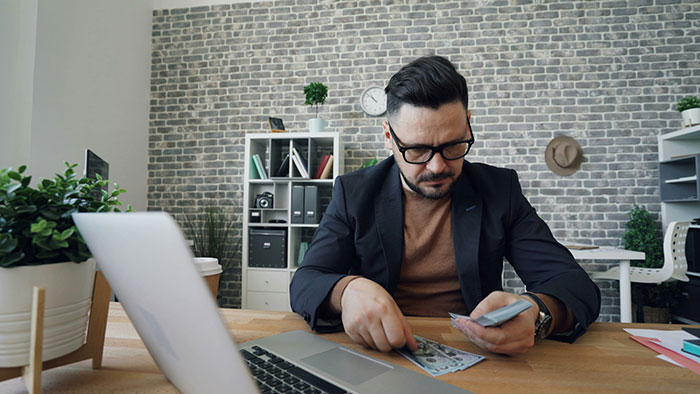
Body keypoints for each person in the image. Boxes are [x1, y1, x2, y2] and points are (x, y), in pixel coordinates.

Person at [289, 55, 600, 355]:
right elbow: (306, 281)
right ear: (388, 137)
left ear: (467, 125)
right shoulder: (354, 193)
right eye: (418, 150)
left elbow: (573, 283)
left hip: (478, 357)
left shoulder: (498, 191)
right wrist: (347, 291)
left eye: (453, 145)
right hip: (377, 354)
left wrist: (538, 313)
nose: (437, 166)